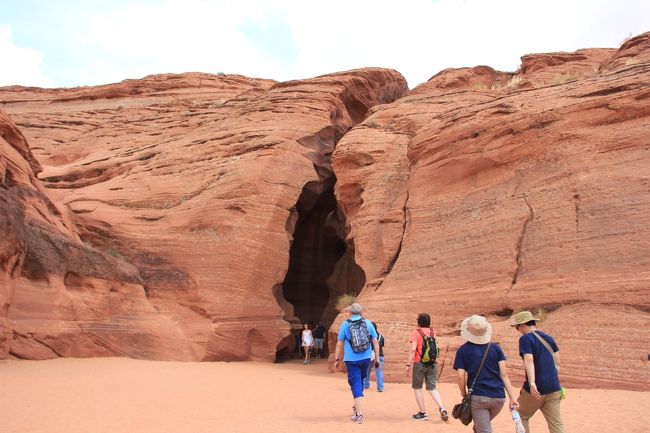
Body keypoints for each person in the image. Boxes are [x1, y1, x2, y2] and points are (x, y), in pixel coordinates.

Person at [453, 315, 519, 433]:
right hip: (499, 398)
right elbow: (504, 374)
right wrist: (512, 398)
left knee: (484, 430)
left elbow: (460, 375)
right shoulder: (496, 348)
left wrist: (464, 394)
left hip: (479, 398)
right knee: (480, 427)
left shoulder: (463, 350)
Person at [512, 311, 565, 433]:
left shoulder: (525, 339)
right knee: (556, 424)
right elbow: (558, 361)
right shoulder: (548, 338)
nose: (517, 329)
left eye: (517, 326)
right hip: (554, 387)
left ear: (523, 325)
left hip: (536, 389)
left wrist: (532, 384)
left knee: (520, 415)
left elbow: (529, 359)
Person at [333, 303, 381, 424]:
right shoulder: (367, 323)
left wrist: (336, 359)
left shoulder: (345, 324)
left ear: (349, 313)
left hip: (351, 359)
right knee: (359, 381)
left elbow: (339, 343)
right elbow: (375, 342)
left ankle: (359, 414)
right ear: (361, 313)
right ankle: (356, 406)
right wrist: (377, 358)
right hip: (366, 358)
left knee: (355, 383)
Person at [405, 313, 449, 421]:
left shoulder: (416, 332)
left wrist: (407, 364)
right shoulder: (433, 332)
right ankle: (442, 408)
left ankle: (423, 413)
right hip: (432, 363)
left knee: (417, 387)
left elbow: (412, 349)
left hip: (419, 363)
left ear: (419, 322)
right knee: (432, 388)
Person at [363, 322, 384, 392]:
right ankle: (380, 388)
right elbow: (382, 345)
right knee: (379, 371)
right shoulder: (381, 336)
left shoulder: (369, 336)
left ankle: (366, 385)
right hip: (380, 355)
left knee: (366, 371)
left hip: (370, 356)